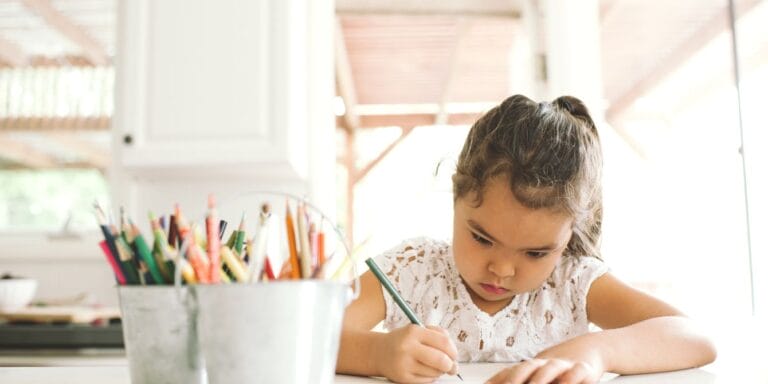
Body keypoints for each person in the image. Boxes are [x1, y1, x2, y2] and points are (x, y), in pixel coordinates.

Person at [335, 95, 716, 384]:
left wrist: (596, 351)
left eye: (536, 252)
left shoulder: (572, 282)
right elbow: (308, 336)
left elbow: (695, 338)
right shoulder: (414, 270)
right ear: (456, 199)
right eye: (482, 238)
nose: (501, 269)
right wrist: (378, 353)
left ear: (568, 236)